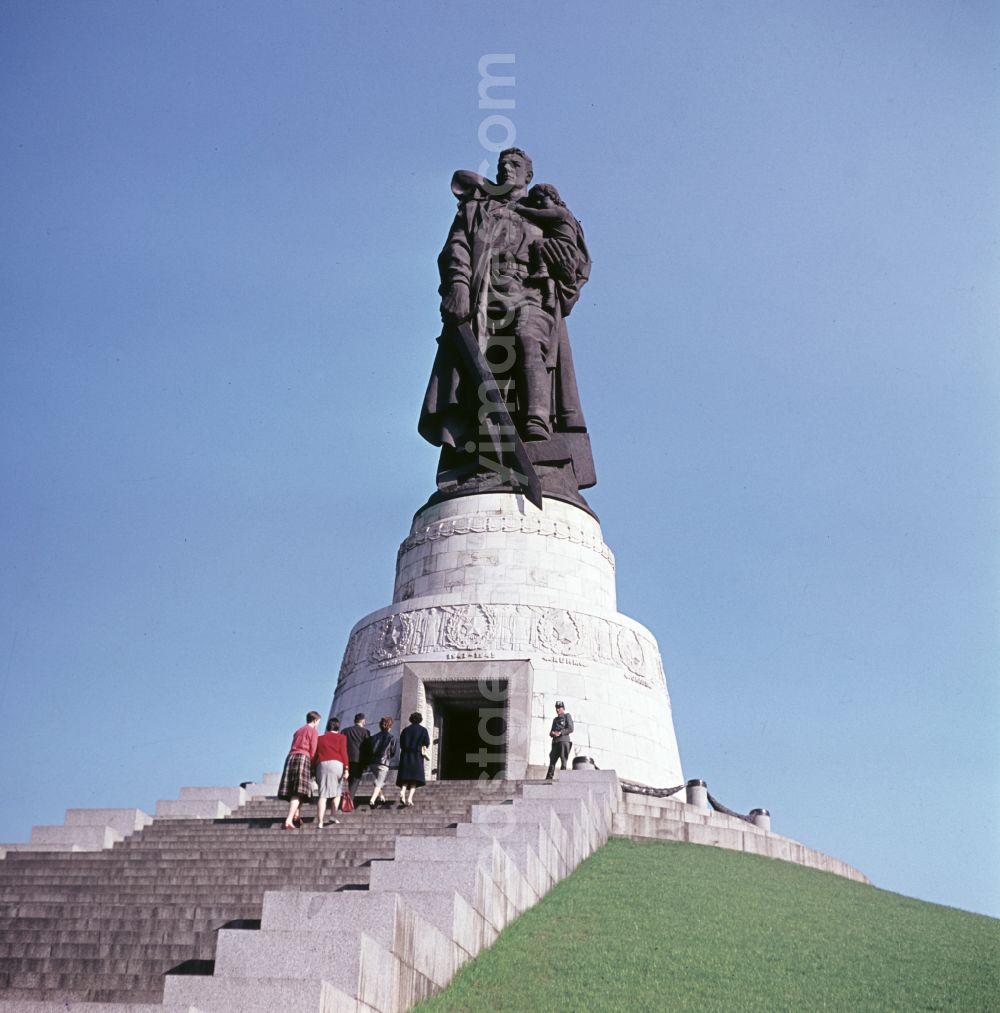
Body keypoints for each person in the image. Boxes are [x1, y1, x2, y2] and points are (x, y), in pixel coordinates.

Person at [419, 148, 596, 496]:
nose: (506, 169)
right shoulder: (478, 208)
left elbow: (574, 264)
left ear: (528, 174)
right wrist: (457, 284)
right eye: (502, 166)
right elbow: (457, 248)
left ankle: (536, 428)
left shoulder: (545, 214)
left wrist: (564, 266)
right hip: (486, 295)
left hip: (531, 292)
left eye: (515, 165)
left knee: (529, 342)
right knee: (486, 366)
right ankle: (489, 447)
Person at [511, 183, 580, 313]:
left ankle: (542, 269)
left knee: (539, 244)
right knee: (551, 275)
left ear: (553, 197)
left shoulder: (560, 211)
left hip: (563, 245)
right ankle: (550, 297)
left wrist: (519, 209)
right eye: (535, 200)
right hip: (561, 246)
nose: (538, 202)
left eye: (541, 198)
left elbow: (538, 214)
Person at [277, 710, 321, 830]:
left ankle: (296, 814)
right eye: (318, 722)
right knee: (298, 791)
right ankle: (288, 820)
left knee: (296, 789)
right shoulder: (313, 731)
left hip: (291, 757)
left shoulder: (298, 730)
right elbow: (313, 750)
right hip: (303, 757)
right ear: (316, 720)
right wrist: (313, 766)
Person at [314, 716, 349, 828]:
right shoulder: (342, 738)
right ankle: (333, 816)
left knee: (323, 794)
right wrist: (347, 768)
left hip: (322, 764)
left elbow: (315, 755)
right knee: (337, 792)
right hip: (337, 764)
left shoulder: (320, 738)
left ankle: (320, 822)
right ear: (338, 727)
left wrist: (313, 768)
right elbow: (344, 753)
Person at [396, 712, 430, 807]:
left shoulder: (405, 730)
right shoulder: (423, 730)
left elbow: (402, 743)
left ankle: (402, 791)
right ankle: (410, 798)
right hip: (417, 756)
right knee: (415, 779)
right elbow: (427, 743)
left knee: (406, 777)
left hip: (406, 755)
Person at [366, 716, 398, 808]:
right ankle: (372, 799)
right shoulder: (392, 738)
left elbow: (370, 749)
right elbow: (392, 752)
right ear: (390, 726)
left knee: (378, 780)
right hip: (383, 762)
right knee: (379, 782)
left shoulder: (373, 737)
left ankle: (382, 796)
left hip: (373, 763)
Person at [343, 712, 371, 797]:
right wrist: (367, 762)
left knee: (349, 779)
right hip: (359, 760)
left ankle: (347, 797)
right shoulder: (365, 732)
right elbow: (367, 747)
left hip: (347, 759)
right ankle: (349, 799)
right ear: (363, 721)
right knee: (355, 780)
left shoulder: (345, 731)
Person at [545, 700, 574, 780]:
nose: (557, 710)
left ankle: (563, 778)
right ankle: (549, 777)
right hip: (555, 742)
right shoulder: (555, 719)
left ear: (563, 708)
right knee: (552, 759)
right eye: (556, 708)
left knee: (563, 759)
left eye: (559, 708)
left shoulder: (567, 716)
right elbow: (551, 731)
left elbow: (571, 728)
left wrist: (560, 733)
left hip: (564, 741)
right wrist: (552, 733)